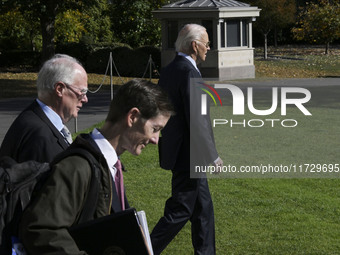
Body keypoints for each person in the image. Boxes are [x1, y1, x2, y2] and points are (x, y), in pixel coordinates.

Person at [19, 79, 174, 254]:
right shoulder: (77, 166)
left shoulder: (110, 165)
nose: (155, 139)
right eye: (155, 128)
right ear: (132, 117)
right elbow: (42, 230)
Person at [150, 24, 223, 255]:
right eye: (207, 43)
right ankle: (142, 249)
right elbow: (197, 119)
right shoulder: (190, 72)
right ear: (195, 45)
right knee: (179, 210)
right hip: (189, 156)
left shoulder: (170, 69)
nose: (209, 48)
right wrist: (213, 155)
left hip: (179, 151)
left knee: (203, 210)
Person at [0, 54, 88, 163]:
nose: (85, 99)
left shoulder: (35, 119)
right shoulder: (40, 136)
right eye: (82, 92)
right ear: (59, 89)